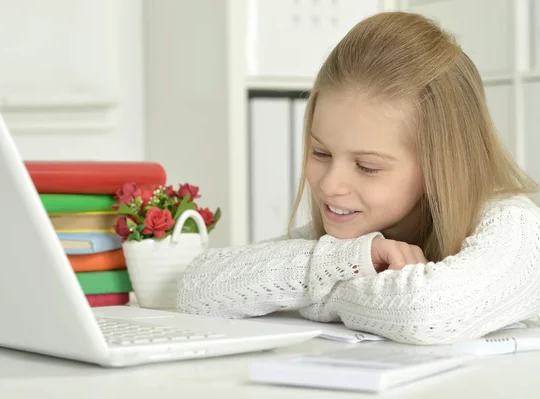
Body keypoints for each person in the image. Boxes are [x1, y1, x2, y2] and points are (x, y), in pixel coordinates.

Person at [176, 11, 540, 345]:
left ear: (443, 165)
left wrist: (324, 291)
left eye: (367, 167)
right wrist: (347, 261)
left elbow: (426, 312)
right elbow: (196, 289)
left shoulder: (516, 226)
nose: (331, 185)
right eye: (321, 153)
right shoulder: (359, 242)